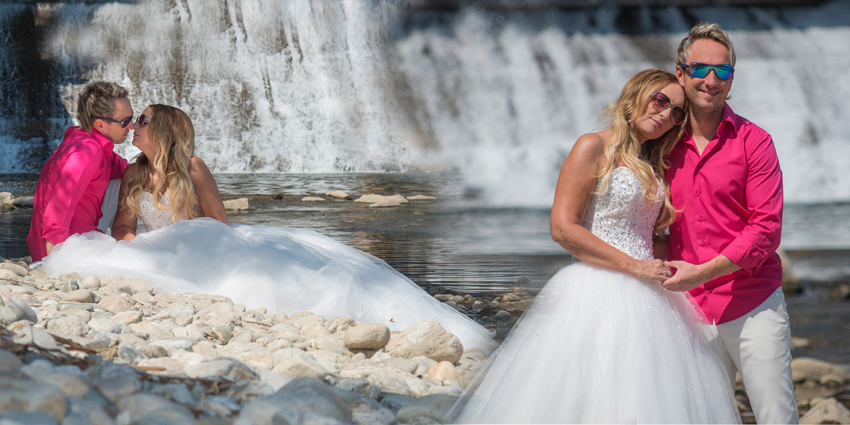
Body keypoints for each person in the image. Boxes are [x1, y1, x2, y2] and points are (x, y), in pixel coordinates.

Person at [38, 104, 497, 354]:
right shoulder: (135, 173)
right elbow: (122, 223)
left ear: (166, 131)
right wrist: (136, 246)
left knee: (283, 283)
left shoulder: (194, 169)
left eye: (143, 121)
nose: (134, 124)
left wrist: (184, 242)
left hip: (206, 244)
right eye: (132, 120)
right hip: (159, 249)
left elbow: (219, 222)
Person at [449, 69, 741, 423]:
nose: (666, 115)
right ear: (635, 95)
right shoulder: (592, 145)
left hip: (652, 291)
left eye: (677, 112)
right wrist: (634, 267)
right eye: (660, 100)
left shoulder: (652, 162)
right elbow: (563, 228)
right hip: (598, 287)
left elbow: (647, 234)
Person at [662, 22, 797, 423]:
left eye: (722, 71)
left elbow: (766, 230)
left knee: (776, 416)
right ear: (680, 73)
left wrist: (701, 272)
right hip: (686, 311)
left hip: (752, 303)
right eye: (700, 68)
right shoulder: (661, 142)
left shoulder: (755, 141)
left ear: (731, 79)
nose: (710, 80)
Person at [27, 81, 132, 262]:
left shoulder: (88, 141)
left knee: (131, 176)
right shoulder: (86, 152)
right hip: (67, 246)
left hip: (84, 235)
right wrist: (54, 265)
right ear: (100, 125)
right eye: (126, 121)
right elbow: (58, 210)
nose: (131, 127)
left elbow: (124, 168)